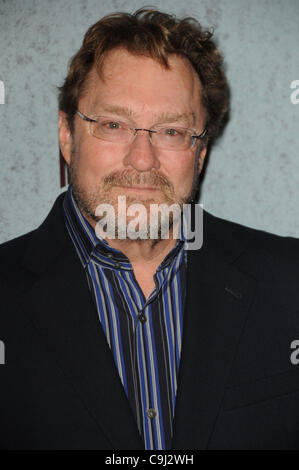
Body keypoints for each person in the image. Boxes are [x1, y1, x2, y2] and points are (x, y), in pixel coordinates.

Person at [1, 8, 299, 451]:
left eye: (172, 131)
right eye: (113, 125)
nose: (142, 160)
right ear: (67, 135)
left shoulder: (289, 282)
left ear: (199, 155)